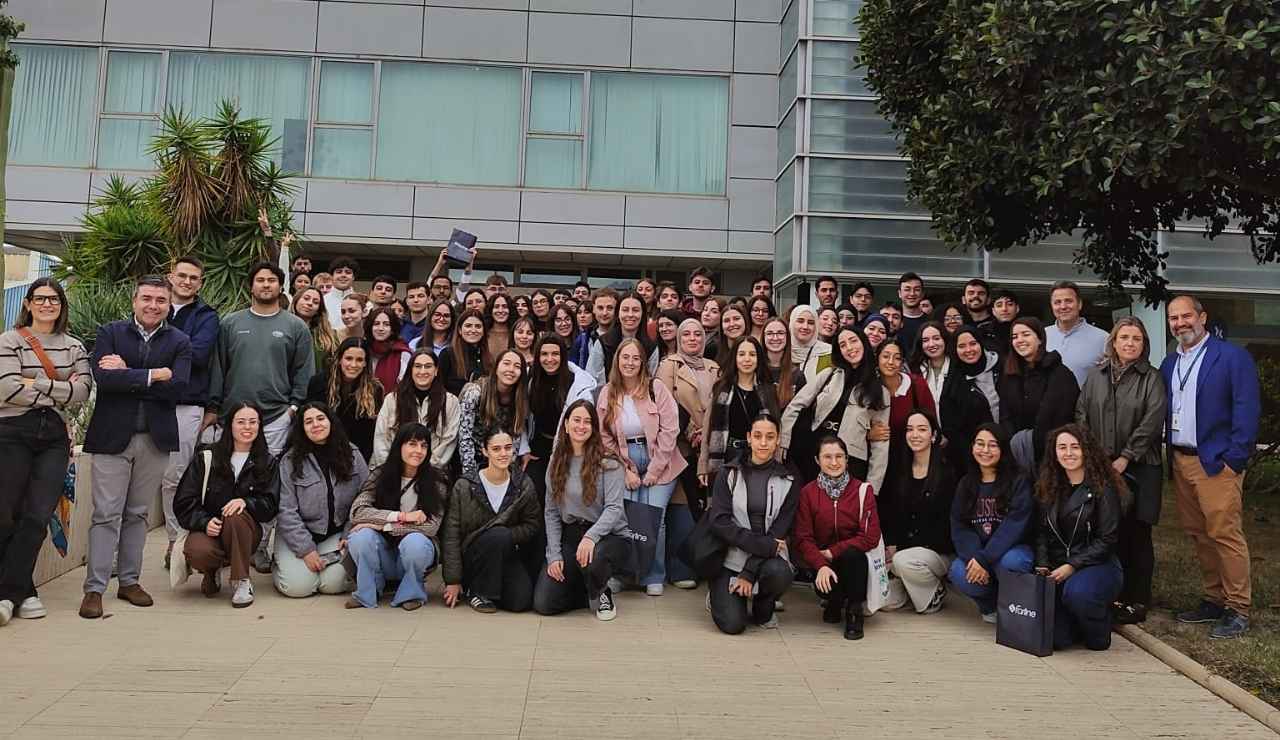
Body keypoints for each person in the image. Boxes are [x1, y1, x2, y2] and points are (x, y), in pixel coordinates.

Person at [80, 276, 192, 620]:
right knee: (105, 514)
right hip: (112, 438)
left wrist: (129, 371)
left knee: (138, 514)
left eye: (160, 300)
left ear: (168, 305)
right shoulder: (110, 333)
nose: (153, 305)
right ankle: (94, 589)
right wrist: (153, 375)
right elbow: (105, 380)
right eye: (147, 298)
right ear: (134, 301)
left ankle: (129, 581)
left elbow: (179, 386)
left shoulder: (180, 341)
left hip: (154, 439)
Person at [1161, 295, 1260, 639]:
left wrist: (1235, 459)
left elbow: (1246, 410)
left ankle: (1238, 607)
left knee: (1225, 534)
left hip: (1216, 463)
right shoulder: (1170, 363)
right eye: (1174, 318)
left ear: (1202, 317)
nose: (1180, 323)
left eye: (1186, 316)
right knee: (1199, 534)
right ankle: (1214, 599)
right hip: (1181, 460)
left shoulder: (1232, 357)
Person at [0, 279, 92, 625]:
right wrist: (59, 389)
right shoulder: (8, 341)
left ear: (61, 305)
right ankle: (24, 591)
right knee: (5, 514)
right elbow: (6, 388)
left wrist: (34, 382)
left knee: (38, 514)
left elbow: (82, 393)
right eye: (40, 299)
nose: (47, 304)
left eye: (53, 299)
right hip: (11, 431)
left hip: (52, 435)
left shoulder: (74, 346)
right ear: (27, 304)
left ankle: (7, 596)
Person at [1074, 317, 1166, 625]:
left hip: (1141, 467)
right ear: (1113, 342)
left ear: (1144, 344)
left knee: (1138, 534)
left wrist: (1126, 457)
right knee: (1109, 531)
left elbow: (1153, 421)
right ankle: (1111, 595)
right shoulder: (1096, 376)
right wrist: (1096, 457)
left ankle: (1137, 600)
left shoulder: (1151, 378)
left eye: (1136, 338)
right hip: (1102, 466)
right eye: (1124, 337)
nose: (1129, 343)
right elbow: (1082, 414)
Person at [597, 337, 685, 596]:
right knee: (623, 517)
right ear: (617, 360)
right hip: (622, 460)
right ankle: (623, 574)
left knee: (653, 516)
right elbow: (603, 436)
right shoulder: (607, 392)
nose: (630, 363)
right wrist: (625, 468)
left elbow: (671, 429)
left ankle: (652, 574)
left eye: (636, 358)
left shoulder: (656, 388)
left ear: (643, 362)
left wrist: (654, 471)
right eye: (626, 357)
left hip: (661, 458)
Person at [173, 404, 278, 608]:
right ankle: (212, 571)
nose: (247, 427)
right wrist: (204, 522)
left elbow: (271, 504)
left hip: (245, 532)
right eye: (241, 422)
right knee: (197, 550)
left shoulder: (267, 462)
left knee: (235, 513)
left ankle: (241, 580)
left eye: (253, 422)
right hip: (211, 530)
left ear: (260, 426)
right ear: (229, 426)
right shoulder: (206, 457)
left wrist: (246, 502)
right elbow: (183, 501)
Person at [1030, 424, 1125, 650]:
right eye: (1062, 447)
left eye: (1075, 447)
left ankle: (1100, 632)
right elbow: (1041, 532)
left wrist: (1072, 565)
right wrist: (1042, 564)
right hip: (1058, 568)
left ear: (1087, 450)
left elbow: (1108, 540)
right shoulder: (1048, 486)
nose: (1068, 453)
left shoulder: (1104, 488)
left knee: (1078, 594)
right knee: (1056, 641)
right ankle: (1076, 622)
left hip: (1097, 566)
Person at [534, 400, 631, 621]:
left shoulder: (609, 462)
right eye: (576, 420)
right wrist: (554, 554)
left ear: (594, 428)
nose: (581, 426)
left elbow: (614, 508)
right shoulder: (556, 462)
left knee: (593, 557)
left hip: (609, 536)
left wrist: (591, 537)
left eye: (588, 421)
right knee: (544, 603)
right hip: (572, 534)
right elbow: (551, 512)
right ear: (566, 425)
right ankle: (586, 588)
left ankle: (602, 590)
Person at [208, 261, 314, 457]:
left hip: (276, 418)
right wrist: (214, 408)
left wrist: (292, 409)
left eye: (272, 280)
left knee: (268, 477)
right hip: (232, 416)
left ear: (281, 287)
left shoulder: (296, 327)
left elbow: (304, 371)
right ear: (251, 286)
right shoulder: (230, 323)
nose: (266, 284)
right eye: (260, 280)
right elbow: (218, 368)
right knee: (226, 475)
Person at [707, 413, 799, 634]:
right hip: (730, 557)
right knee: (733, 625)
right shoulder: (729, 472)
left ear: (778, 440)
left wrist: (749, 572)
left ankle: (763, 606)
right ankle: (719, 595)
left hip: (768, 560)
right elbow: (719, 522)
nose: (763, 443)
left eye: (770, 436)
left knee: (780, 572)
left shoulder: (789, 480)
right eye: (757, 436)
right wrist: (758, 546)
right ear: (749, 438)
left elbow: (777, 535)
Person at [346, 423, 448, 610]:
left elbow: (431, 527)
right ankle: (367, 593)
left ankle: (411, 593)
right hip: (384, 551)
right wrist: (400, 516)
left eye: (424, 446)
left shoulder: (437, 480)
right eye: (412, 444)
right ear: (399, 445)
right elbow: (358, 511)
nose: (418, 450)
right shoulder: (380, 475)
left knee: (415, 541)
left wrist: (384, 526)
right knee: (360, 537)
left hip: (414, 553)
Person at [161, 256, 220, 571]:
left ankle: (176, 540)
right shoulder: (155, 304)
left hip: (187, 402)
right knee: (145, 476)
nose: (186, 281)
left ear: (200, 282)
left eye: (193, 277)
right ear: (171, 277)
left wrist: (158, 350)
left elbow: (198, 355)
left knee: (177, 475)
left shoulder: (207, 316)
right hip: (149, 400)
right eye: (181, 276)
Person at [274, 403, 370, 598]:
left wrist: (348, 532)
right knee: (298, 588)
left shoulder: (352, 454)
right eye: (308, 421)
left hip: (336, 535)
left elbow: (365, 496)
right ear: (301, 428)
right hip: (298, 534)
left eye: (320, 418)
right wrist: (306, 550)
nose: (315, 425)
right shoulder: (289, 461)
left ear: (330, 422)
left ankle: (313, 569)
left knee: (332, 585)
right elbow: (286, 510)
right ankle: (280, 563)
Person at [442, 429, 542, 613]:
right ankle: (477, 591)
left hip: (507, 551)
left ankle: (493, 589)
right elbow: (451, 534)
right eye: (496, 449)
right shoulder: (465, 485)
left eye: (508, 448)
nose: (503, 454)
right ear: (485, 451)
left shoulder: (522, 483)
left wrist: (509, 536)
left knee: (520, 602)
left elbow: (533, 523)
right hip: (473, 555)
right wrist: (453, 580)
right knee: (498, 534)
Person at [780, 327, 890, 489]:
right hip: (815, 451)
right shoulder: (829, 374)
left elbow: (880, 445)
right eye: (843, 345)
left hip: (851, 459)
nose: (850, 348)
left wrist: (872, 487)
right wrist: (784, 440)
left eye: (853, 341)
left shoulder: (879, 391)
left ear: (863, 343)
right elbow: (796, 405)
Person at [794, 436, 880, 639]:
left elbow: (870, 536)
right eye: (827, 457)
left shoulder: (862, 490)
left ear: (847, 459)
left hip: (854, 563)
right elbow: (802, 537)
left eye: (839, 456)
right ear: (817, 460)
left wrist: (834, 551)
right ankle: (835, 600)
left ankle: (854, 611)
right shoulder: (808, 493)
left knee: (853, 555)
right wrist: (821, 564)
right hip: (823, 563)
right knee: (825, 586)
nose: (834, 462)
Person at [948, 423, 1035, 623]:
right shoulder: (966, 483)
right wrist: (975, 558)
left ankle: (1014, 608)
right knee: (958, 571)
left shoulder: (1018, 480)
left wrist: (984, 559)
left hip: (1011, 550)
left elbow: (1014, 525)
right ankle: (990, 607)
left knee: (1012, 562)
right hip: (981, 553)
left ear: (1002, 449)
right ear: (972, 447)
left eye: (992, 445)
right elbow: (960, 526)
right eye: (980, 444)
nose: (985, 450)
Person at [883, 410, 955, 614]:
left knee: (902, 562)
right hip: (905, 552)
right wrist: (892, 545)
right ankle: (910, 588)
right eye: (909, 429)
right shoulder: (899, 470)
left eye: (922, 429)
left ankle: (936, 594)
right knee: (885, 603)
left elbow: (947, 522)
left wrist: (903, 551)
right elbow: (892, 513)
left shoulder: (947, 472)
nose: (914, 434)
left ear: (933, 435)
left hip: (937, 552)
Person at [998, 317, 1079, 470]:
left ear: (1040, 339)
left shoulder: (1059, 373)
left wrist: (1035, 446)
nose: (1020, 340)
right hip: (1017, 456)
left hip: (1052, 456)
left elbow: (1060, 416)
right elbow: (1005, 415)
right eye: (1015, 337)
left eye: (1026, 334)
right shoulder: (1009, 375)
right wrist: (1015, 444)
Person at [699, 336, 780, 484]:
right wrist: (703, 465)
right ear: (734, 358)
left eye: (752, 354)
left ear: (759, 359)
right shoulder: (721, 388)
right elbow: (707, 428)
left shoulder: (767, 390)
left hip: (757, 455)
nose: (747, 359)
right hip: (727, 454)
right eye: (741, 354)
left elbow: (776, 428)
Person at [525, 335, 596, 503]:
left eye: (555, 354)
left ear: (563, 355)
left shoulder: (576, 383)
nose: (550, 359)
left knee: (563, 497)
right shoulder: (530, 379)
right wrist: (523, 448)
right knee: (536, 496)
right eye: (544, 354)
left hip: (567, 448)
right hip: (537, 449)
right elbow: (520, 415)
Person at [372, 348, 460, 471]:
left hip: (432, 473)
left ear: (436, 370)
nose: (422, 371)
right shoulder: (392, 399)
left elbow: (448, 442)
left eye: (428, 366)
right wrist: (394, 470)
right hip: (392, 471)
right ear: (410, 370)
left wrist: (422, 471)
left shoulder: (450, 402)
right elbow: (381, 439)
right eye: (417, 366)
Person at [306, 338, 383, 463]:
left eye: (359, 360)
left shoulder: (374, 389)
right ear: (340, 359)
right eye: (348, 358)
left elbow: (369, 433)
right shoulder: (319, 382)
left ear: (365, 363)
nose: (353, 365)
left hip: (357, 456)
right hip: (321, 452)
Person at [939, 326, 1001, 477]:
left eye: (973, 343)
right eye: (961, 346)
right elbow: (951, 428)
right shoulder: (953, 383)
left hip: (1008, 445)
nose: (968, 350)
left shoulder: (1002, 367)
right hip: (974, 458)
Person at [458, 349, 530, 479]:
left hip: (502, 456)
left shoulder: (520, 398)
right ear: (496, 368)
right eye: (506, 363)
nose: (511, 369)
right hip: (474, 457)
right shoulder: (475, 392)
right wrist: (470, 476)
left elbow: (516, 435)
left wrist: (508, 471)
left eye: (517, 366)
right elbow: (464, 437)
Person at [1045, 280, 1109, 387]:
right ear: (1052, 306)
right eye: (1057, 302)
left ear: (1079, 304)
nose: (1063, 306)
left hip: (1086, 403)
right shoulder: (1041, 336)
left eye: (1068, 301)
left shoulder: (1103, 339)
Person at [587, 292, 658, 386]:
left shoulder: (651, 347)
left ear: (642, 314)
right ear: (618, 313)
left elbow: (650, 381)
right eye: (625, 310)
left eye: (635, 310)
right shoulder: (603, 343)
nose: (630, 314)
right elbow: (593, 380)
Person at [438, 309, 488, 395]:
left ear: (483, 331)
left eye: (478, 326)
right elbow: (438, 386)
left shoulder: (487, 358)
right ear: (460, 330)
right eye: (468, 326)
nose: (473, 330)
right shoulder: (447, 354)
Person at [292, 287, 339, 374]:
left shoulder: (329, 336)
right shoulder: (282, 328)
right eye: (306, 298)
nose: (310, 303)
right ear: (296, 301)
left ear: (318, 310)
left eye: (315, 302)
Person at [365, 307, 411, 392]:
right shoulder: (364, 349)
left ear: (393, 329)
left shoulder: (403, 353)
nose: (381, 328)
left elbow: (404, 384)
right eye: (376, 324)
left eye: (386, 324)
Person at [910, 321, 951, 415]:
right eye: (925, 340)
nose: (931, 344)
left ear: (944, 339)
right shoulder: (914, 371)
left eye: (936, 338)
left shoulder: (958, 367)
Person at [572, 289, 617, 373]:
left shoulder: (622, 337)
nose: (604, 313)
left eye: (610, 308)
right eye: (600, 308)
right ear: (594, 309)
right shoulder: (583, 338)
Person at [788, 305, 831, 386]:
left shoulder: (828, 352)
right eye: (800, 321)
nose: (805, 327)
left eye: (811, 323)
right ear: (792, 323)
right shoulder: (782, 351)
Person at [761, 317, 797, 408]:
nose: (775, 337)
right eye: (770, 333)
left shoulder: (797, 375)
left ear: (787, 337)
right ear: (763, 337)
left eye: (780, 333)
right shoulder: (755, 371)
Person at [323, 256, 359, 331]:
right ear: (332, 276)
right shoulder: (322, 301)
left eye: (348, 272)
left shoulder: (364, 302)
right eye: (339, 272)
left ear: (353, 277)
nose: (343, 275)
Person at [895, 272, 928, 352]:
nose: (912, 294)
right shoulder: (893, 321)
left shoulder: (930, 321)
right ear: (899, 293)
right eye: (907, 289)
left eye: (917, 290)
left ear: (922, 293)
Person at [485, 293, 515, 363]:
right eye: (496, 307)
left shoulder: (517, 333)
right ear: (490, 310)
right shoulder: (483, 333)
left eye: (504, 306)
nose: (500, 310)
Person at [989, 288, 1020, 354]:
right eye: (999, 305)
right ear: (993, 311)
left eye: (1009, 304)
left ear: (1017, 308)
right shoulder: (984, 332)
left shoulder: (1026, 330)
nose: (1004, 309)